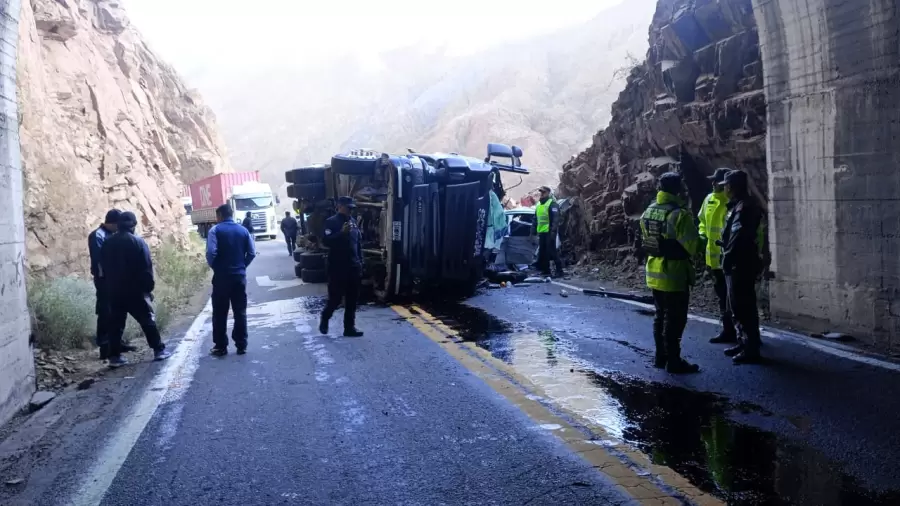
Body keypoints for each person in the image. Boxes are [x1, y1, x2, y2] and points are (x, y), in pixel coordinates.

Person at [639, 172, 701, 374]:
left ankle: (660, 357)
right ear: (677, 189)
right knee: (675, 319)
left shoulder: (648, 211)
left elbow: (647, 240)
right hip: (674, 275)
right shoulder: (680, 215)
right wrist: (704, 239)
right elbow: (692, 246)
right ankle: (674, 361)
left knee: (660, 316)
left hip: (654, 272)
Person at [100, 212, 171, 367]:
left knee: (116, 325)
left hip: (114, 291)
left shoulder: (107, 242)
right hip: (135, 290)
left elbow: (103, 268)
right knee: (147, 320)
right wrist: (148, 289)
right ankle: (159, 350)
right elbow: (146, 268)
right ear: (133, 225)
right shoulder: (138, 242)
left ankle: (114, 357)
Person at [718, 169, 765, 364]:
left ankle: (750, 347)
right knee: (737, 305)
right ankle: (743, 342)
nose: (725, 189)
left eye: (727, 186)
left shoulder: (743, 208)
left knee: (742, 305)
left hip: (740, 262)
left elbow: (739, 237)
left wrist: (728, 256)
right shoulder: (739, 205)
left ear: (733, 186)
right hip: (739, 260)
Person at [206, 204, 256, 356]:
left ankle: (221, 346)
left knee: (220, 312)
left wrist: (215, 267)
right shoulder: (243, 230)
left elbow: (211, 252)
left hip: (221, 277)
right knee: (240, 311)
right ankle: (241, 344)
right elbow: (252, 252)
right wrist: (242, 267)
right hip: (239, 277)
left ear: (220, 216)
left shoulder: (215, 230)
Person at [89, 209, 137, 360]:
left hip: (115, 279)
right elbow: (100, 260)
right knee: (105, 311)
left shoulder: (113, 235)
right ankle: (105, 346)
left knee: (117, 312)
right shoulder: (97, 235)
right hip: (104, 280)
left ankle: (117, 343)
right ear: (113, 224)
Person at [698, 168, 737, 345]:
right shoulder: (709, 199)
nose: (713, 183)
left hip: (731, 260)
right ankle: (728, 331)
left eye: (717, 181)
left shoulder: (733, 203)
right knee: (722, 297)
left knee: (736, 298)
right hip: (713, 260)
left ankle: (745, 335)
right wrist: (702, 238)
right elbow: (702, 223)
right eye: (713, 180)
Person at [319, 196, 364, 337]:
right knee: (335, 299)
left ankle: (349, 328)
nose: (350, 211)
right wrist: (341, 234)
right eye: (348, 207)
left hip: (353, 266)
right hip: (337, 268)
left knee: (352, 300)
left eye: (352, 208)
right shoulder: (331, 222)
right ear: (340, 206)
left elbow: (358, 245)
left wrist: (361, 262)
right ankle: (325, 318)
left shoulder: (353, 222)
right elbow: (326, 242)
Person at [534, 186, 563, 277]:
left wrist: (553, 232)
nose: (542, 194)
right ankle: (546, 270)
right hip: (542, 232)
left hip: (549, 232)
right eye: (541, 192)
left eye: (544, 192)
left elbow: (555, 219)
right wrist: (532, 231)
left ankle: (560, 271)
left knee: (552, 251)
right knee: (543, 252)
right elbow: (535, 219)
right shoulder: (538, 205)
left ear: (548, 193)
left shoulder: (552, 204)